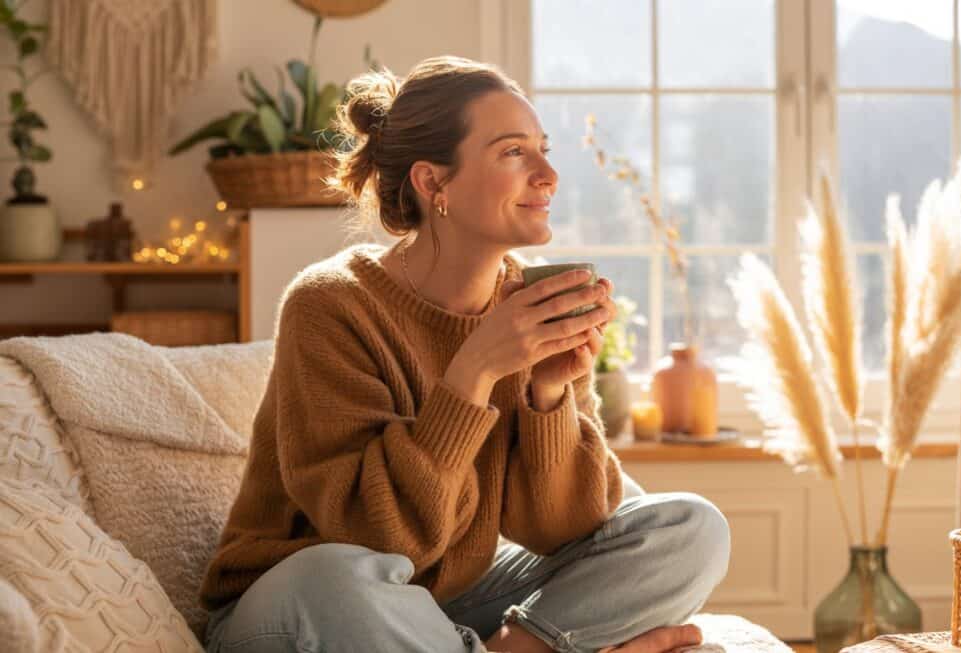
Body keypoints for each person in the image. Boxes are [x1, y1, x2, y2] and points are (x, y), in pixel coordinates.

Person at [198, 55, 730, 653]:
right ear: (433, 183)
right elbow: (375, 538)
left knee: (689, 528)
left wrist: (549, 394)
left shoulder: (529, 303)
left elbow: (566, 531)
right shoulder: (330, 304)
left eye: (544, 149)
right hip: (304, 602)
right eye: (513, 152)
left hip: (446, 600)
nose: (549, 175)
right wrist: (475, 371)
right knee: (336, 577)